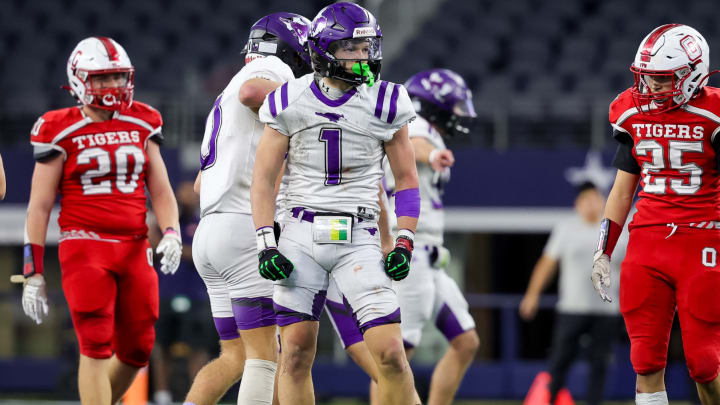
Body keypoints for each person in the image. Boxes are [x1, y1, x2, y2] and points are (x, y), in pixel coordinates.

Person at [251, 3, 420, 404]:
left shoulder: (387, 101)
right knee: (293, 354)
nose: (364, 56)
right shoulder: (290, 98)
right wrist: (265, 241)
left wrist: (404, 238)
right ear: (326, 49)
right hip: (299, 233)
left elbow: (407, 180)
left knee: (392, 354)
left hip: (359, 236)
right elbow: (263, 178)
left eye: (367, 47)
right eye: (353, 48)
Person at [20, 36, 182, 404]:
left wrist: (171, 232)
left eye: (118, 77)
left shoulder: (143, 118)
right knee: (94, 342)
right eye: (102, 79)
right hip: (85, 244)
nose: (112, 87)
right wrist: (33, 271)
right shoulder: (56, 127)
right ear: (78, 80)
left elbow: (160, 187)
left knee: (138, 348)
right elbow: (39, 206)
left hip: (134, 244)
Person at [186, 12, 312, 405]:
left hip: (210, 234)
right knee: (264, 358)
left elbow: (199, 183)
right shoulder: (271, 70)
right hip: (243, 230)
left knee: (235, 356)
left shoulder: (224, 93)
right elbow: (253, 92)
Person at [592, 24, 720, 405]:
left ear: (692, 74)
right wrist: (604, 250)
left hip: (703, 239)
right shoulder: (630, 110)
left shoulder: (713, 114)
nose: (649, 86)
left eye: (661, 79)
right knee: (645, 361)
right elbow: (622, 188)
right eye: (645, 77)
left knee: (704, 364)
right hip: (647, 242)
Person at [520, 181, 624, 405]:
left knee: (600, 364)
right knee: (559, 362)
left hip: (606, 311)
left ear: (604, 201)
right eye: (586, 201)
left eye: (596, 199)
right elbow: (547, 264)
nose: (591, 205)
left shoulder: (616, 231)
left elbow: (630, 268)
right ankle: (551, 399)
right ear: (577, 204)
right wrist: (532, 295)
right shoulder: (566, 228)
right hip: (572, 309)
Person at [150, 181, 214, 405]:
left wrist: (177, 248)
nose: (186, 198)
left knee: (197, 348)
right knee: (161, 346)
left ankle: (196, 397)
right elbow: (152, 245)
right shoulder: (165, 224)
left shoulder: (203, 222)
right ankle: (162, 395)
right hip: (165, 293)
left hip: (196, 295)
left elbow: (204, 254)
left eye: (190, 194)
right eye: (182, 194)